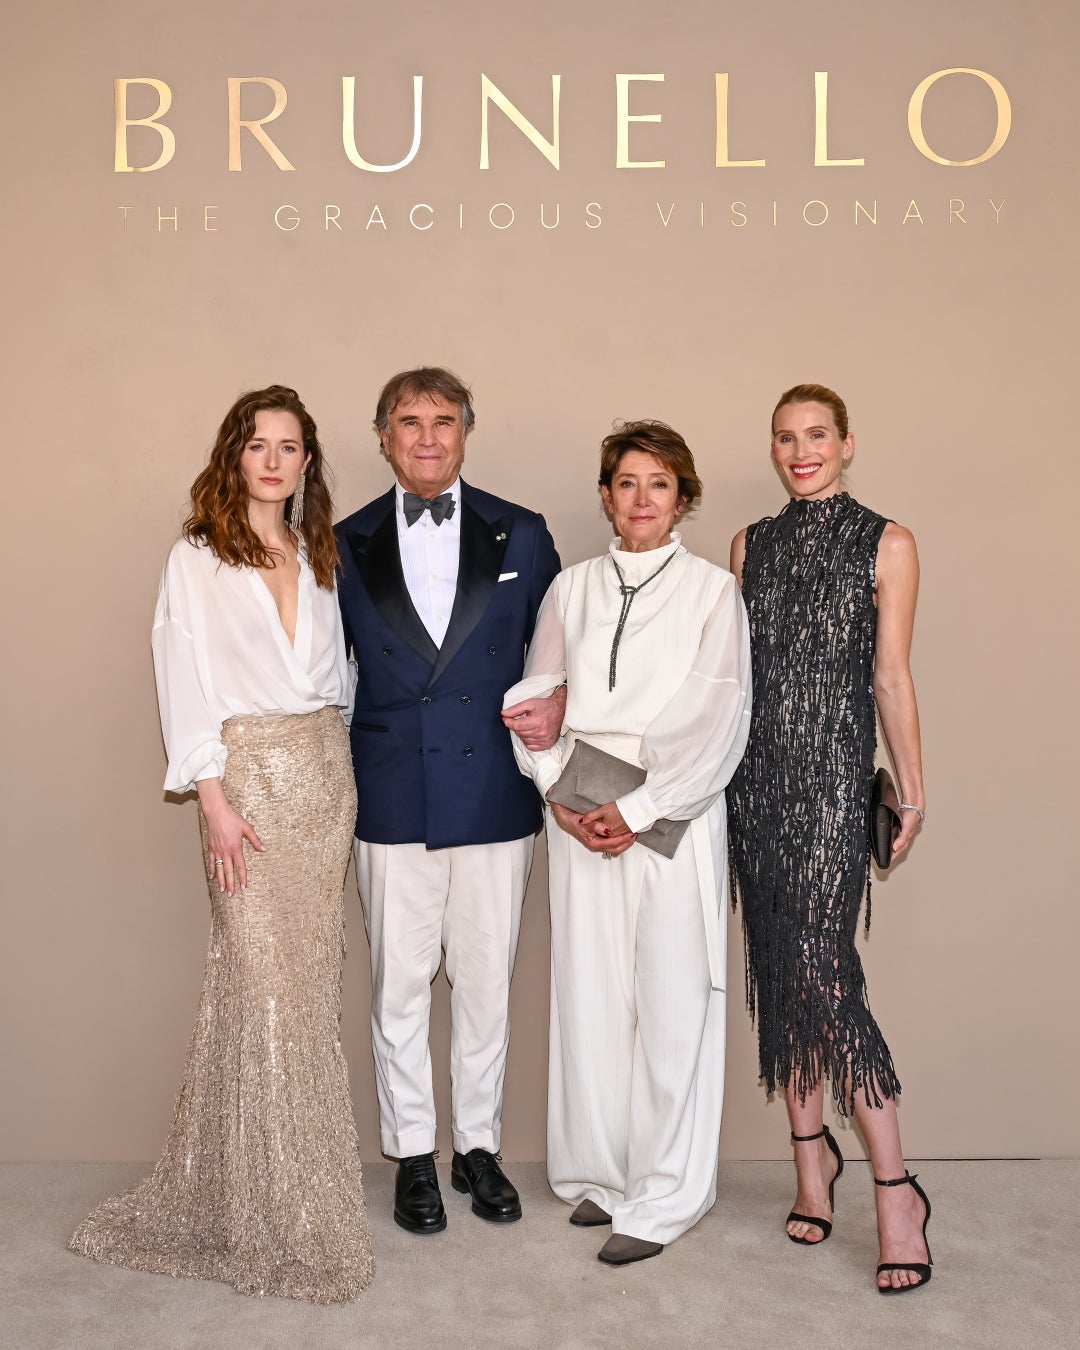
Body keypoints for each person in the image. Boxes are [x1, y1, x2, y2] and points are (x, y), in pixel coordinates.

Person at [69, 386, 374, 1302]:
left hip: (325, 781)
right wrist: (213, 797)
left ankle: (289, 1195)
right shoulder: (197, 556)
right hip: (247, 785)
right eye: (257, 444)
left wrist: (341, 770)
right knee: (263, 986)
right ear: (234, 455)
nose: (273, 461)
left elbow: (341, 679)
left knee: (305, 989)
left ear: (307, 462)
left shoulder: (319, 550)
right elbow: (183, 675)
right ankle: (271, 1207)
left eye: (289, 446)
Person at [502, 420, 752, 1266]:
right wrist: (556, 792)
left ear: (683, 498)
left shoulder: (714, 592)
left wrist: (640, 809)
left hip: (672, 814)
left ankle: (667, 1190)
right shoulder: (570, 589)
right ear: (606, 496)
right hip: (579, 813)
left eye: (660, 483)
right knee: (592, 994)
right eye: (627, 482)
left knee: (674, 1001)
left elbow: (718, 719)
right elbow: (536, 700)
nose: (642, 498)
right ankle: (604, 1175)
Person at [335, 367, 563, 1235]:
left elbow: (559, 658)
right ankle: (413, 1155)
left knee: (484, 982)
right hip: (392, 790)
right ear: (383, 436)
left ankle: (478, 1147)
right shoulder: (342, 541)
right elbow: (327, 675)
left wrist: (559, 718)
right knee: (398, 984)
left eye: (443, 421)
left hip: (492, 792)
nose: (427, 438)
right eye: (409, 422)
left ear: (466, 431)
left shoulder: (523, 530)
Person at [726, 383, 931, 1294]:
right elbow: (732, 680)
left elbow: (890, 676)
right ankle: (812, 1164)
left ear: (848, 443)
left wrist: (911, 787)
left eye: (816, 435)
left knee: (824, 975)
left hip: (833, 791)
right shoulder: (748, 546)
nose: (801, 451)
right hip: (755, 790)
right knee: (781, 971)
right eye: (785, 437)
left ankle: (896, 1191)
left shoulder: (890, 543)